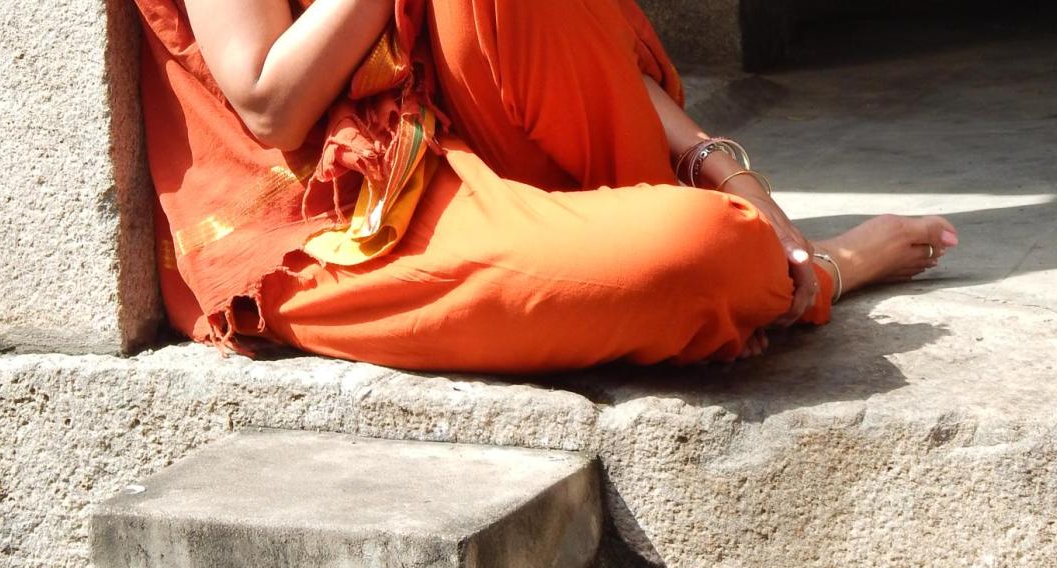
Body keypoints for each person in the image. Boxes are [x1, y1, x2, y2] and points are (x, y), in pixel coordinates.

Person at [133, 0, 957, 372]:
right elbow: (268, 101)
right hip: (332, 221)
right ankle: (791, 277)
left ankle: (763, 253)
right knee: (709, 251)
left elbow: (580, 58)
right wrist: (824, 263)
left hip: (449, 139)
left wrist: (727, 168)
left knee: (729, 229)